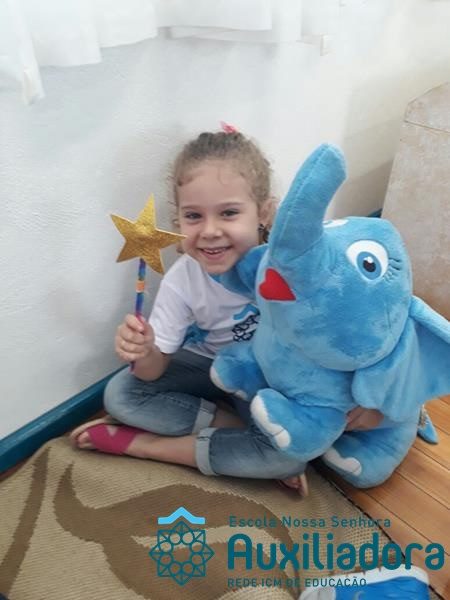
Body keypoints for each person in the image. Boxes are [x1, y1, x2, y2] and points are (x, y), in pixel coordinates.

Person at [70, 127, 383, 494]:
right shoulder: (183, 278)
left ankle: (146, 446)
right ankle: (236, 429)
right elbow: (152, 372)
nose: (209, 231)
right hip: (211, 365)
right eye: (193, 216)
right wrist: (144, 350)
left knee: (287, 458)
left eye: (229, 213)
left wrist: (371, 399)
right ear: (178, 221)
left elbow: (351, 329)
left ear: (263, 212)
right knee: (121, 394)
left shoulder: (294, 264)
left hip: (277, 381)